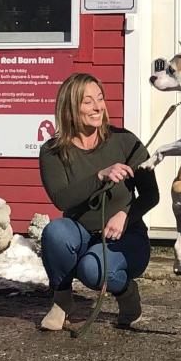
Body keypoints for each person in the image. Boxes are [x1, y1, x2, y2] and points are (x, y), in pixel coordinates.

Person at [37, 72, 159, 331]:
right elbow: (61, 198)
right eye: (88, 101)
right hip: (80, 233)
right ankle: (61, 301)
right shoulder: (52, 151)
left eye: (100, 99)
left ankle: (127, 296)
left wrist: (125, 215)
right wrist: (99, 176)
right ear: (71, 107)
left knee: (93, 269)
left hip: (126, 237)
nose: (97, 107)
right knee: (55, 232)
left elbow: (151, 195)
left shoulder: (125, 141)